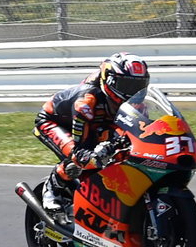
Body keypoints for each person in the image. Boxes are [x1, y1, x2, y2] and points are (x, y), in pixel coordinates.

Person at [33, 52, 150, 214]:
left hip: (97, 122)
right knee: (83, 159)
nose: (133, 93)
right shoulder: (86, 102)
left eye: (138, 87)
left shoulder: (136, 104)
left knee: (123, 151)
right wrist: (96, 153)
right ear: (110, 80)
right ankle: (53, 186)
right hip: (55, 121)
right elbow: (81, 149)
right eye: (127, 86)